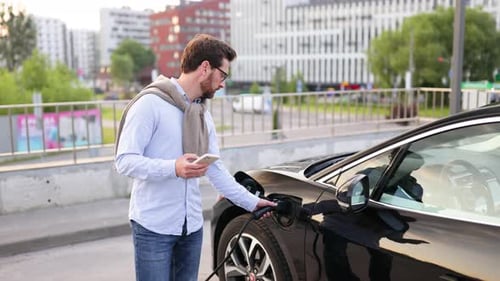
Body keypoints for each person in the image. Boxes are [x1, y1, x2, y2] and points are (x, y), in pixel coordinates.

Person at [114, 34, 276, 281]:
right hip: (153, 227)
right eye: (223, 75)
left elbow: (214, 167)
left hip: (191, 228)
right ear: (205, 68)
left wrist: (252, 203)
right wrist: (173, 168)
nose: (222, 83)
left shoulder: (201, 113)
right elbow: (124, 160)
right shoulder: (150, 104)